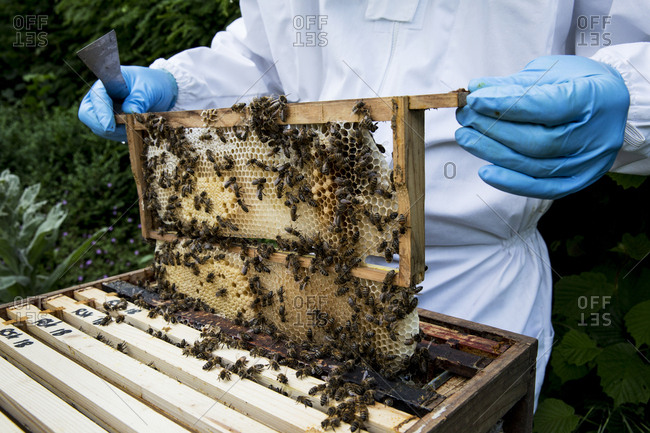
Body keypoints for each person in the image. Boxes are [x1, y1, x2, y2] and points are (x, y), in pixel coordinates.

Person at [78, 1, 650, 407]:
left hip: (480, 283)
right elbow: (263, 56)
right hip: (314, 275)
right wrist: (183, 85)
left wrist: (629, 99)